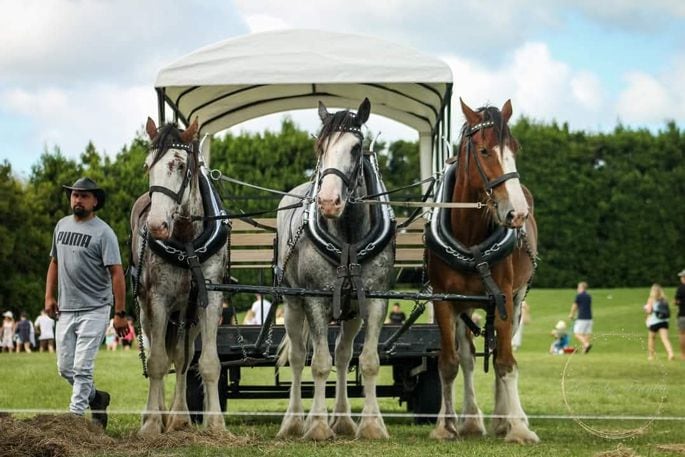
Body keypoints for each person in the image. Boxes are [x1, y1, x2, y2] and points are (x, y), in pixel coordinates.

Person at [44, 177, 128, 429]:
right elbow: (54, 263)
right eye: (74, 195)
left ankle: (74, 420)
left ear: (95, 201)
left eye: (83, 195)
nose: (77, 199)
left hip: (95, 308)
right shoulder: (61, 226)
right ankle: (96, 398)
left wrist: (119, 313)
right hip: (66, 308)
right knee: (64, 368)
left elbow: (117, 274)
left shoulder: (104, 233)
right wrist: (49, 296)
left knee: (81, 367)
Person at [643, 283, 675, 361]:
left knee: (651, 338)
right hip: (664, 322)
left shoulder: (651, 299)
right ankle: (670, 353)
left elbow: (649, 311)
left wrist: (646, 315)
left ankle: (651, 355)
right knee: (665, 338)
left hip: (654, 322)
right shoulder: (664, 300)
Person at [568, 281, 593, 353]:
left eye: (578, 287)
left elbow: (575, 305)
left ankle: (586, 344)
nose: (577, 289)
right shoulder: (589, 296)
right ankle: (585, 349)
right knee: (586, 334)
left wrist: (571, 314)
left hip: (582, 318)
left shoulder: (579, 296)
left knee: (577, 334)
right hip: (589, 318)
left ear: (582, 288)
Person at [676, 270, 685, 360]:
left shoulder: (681, 288)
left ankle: (683, 355)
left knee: (682, 335)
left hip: (682, 315)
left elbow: (677, 301)